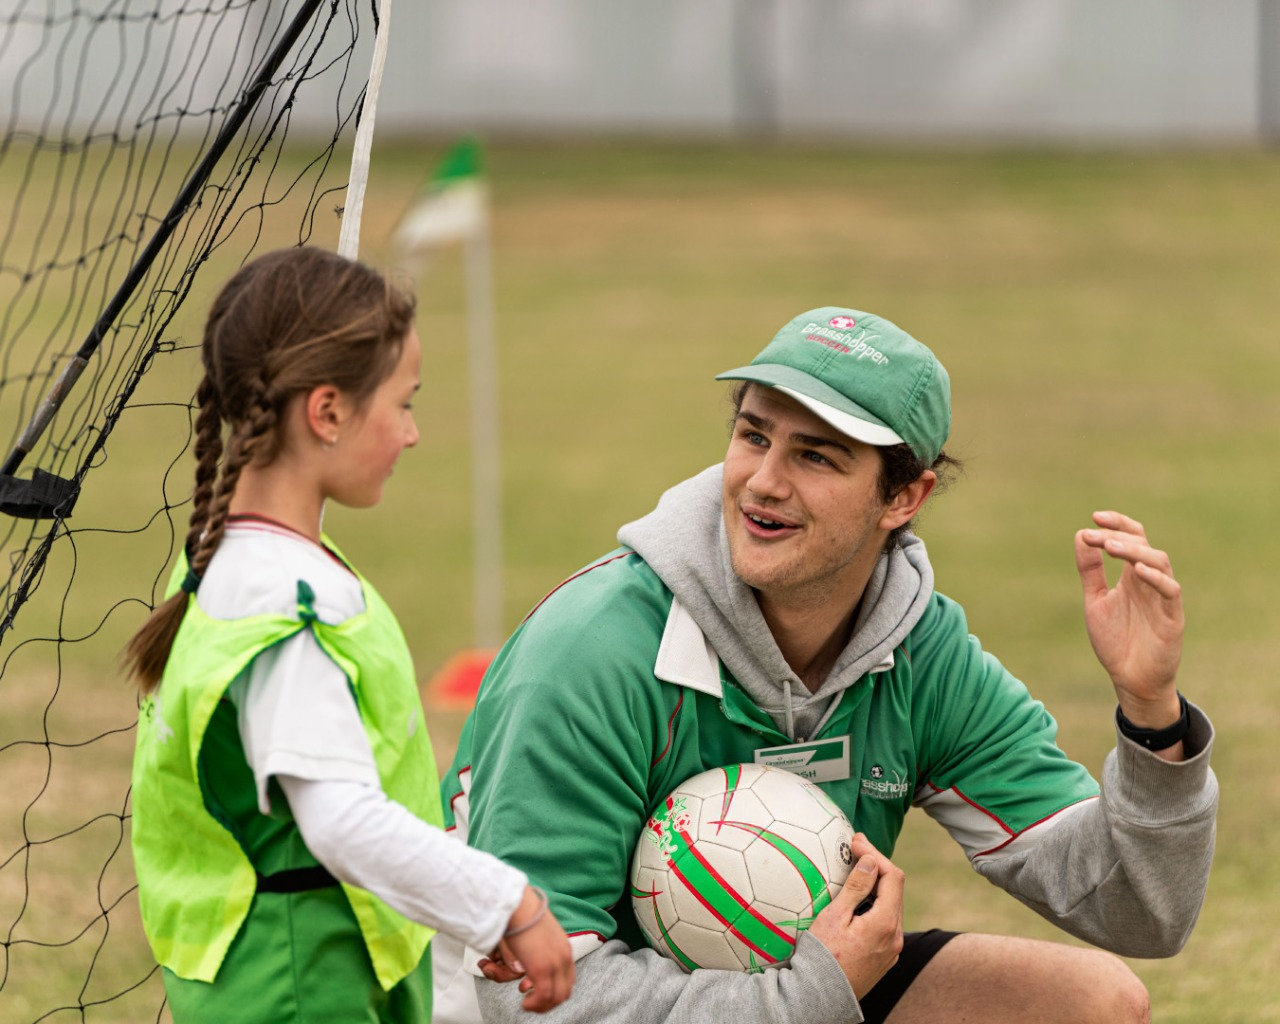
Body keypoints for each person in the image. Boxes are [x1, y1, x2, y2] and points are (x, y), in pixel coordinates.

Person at [432, 306, 1217, 1024]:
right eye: (753, 436)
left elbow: (1138, 910)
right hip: (558, 1008)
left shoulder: (921, 655)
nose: (763, 482)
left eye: (815, 456)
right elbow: (531, 1003)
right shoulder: (591, 653)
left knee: (1092, 1003)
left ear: (904, 498)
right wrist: (806, 995)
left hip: (801, 994)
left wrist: (1152, 714)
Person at [124, 246, 575, 1023]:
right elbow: (342, 822)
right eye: (403, 404)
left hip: (252, 972)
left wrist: (460, 907)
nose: (413, 433)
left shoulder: (219, 564)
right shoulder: (287, 610)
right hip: (303, 983)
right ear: (327, 412)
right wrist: (511, 905)